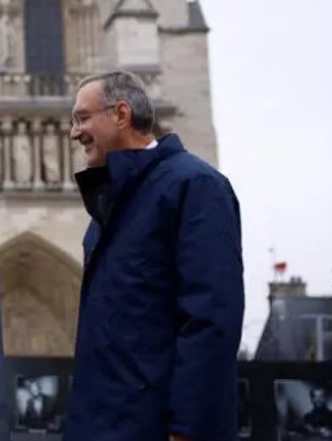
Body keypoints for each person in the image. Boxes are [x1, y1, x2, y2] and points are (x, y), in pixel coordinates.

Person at [64, 71, 244, 441]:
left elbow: (211, 315)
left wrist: (187, 431)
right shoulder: (107, 211)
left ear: (121, 114)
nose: (74, 132)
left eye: (82, 118)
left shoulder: (195, 185)